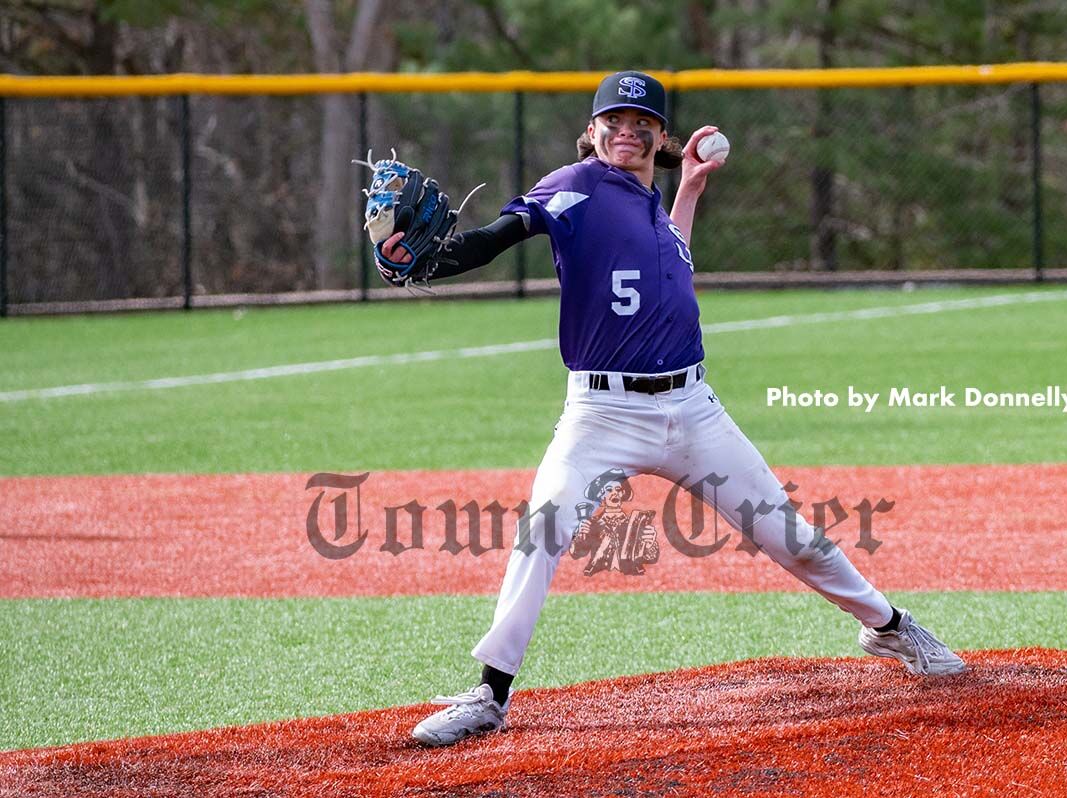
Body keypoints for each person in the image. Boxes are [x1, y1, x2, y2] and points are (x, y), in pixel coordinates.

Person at [383, 70, 965, 748]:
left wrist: (689, 186)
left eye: (643, 122)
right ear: (592, 130)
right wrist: (433, 259)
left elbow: (675, 258)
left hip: (693, 412)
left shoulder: (649, 199)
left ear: (662, 137)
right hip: (601, 416)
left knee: (794, 539)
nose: (628, 129)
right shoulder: (574, 185)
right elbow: (499, 234)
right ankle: (489, 692)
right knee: (541, 532)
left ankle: (890, 627)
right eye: (615, 119)